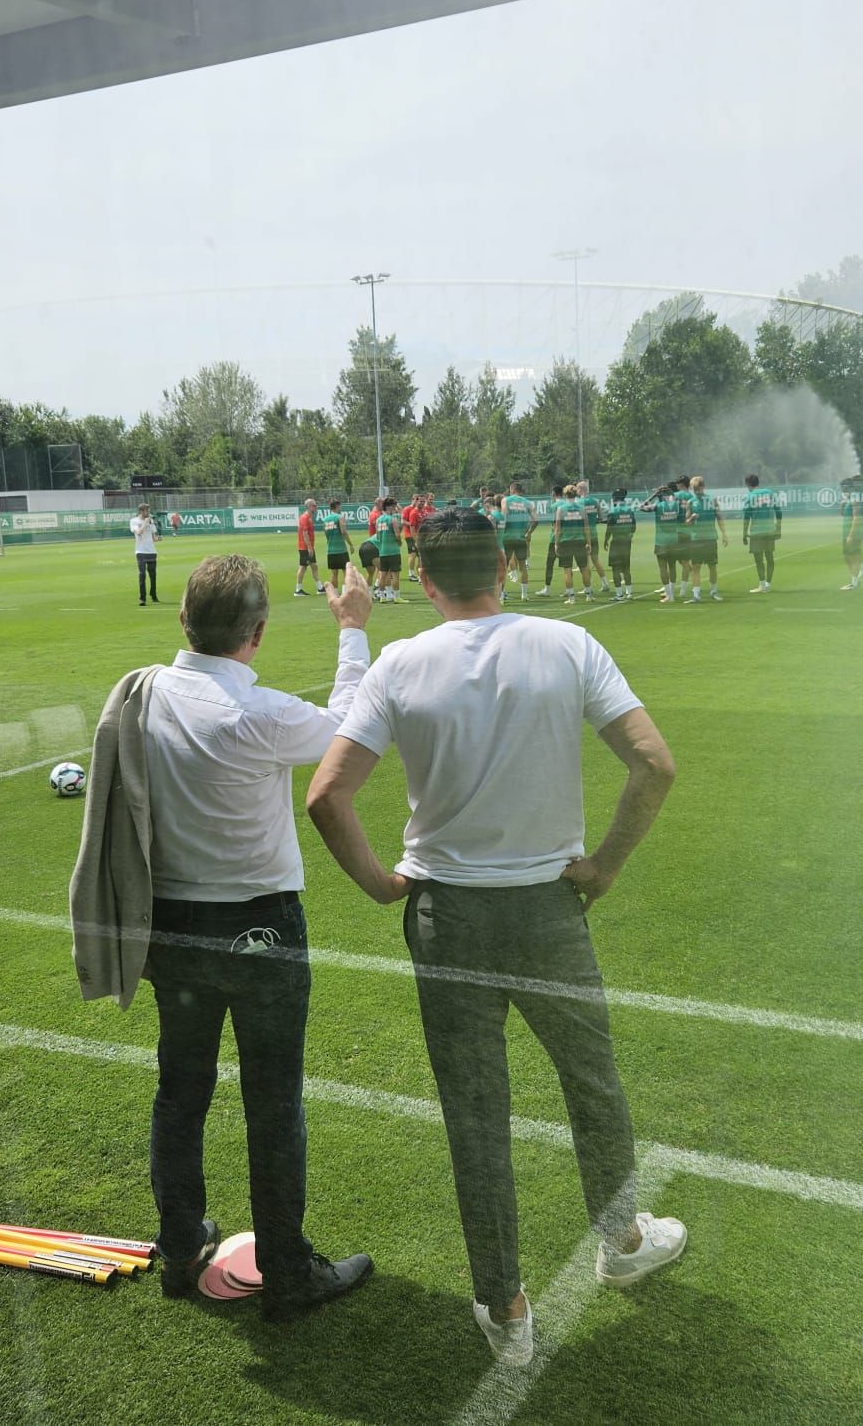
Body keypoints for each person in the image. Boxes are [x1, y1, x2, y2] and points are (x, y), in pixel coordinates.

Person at [306, 508, 685, 1367]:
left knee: (477, 1117)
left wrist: (382, 885)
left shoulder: (400, 663)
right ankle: (621, 1241)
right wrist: (605, 867)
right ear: (506, 569)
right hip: (549, 911)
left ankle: (505, 1307)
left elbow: (327, 795)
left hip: (449, 918)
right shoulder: (566, 643)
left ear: (425, 578)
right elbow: (654, 764)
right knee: (593, 1084)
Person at [74, 555, 377, 1320]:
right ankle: (287, 1268)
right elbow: (348, 727)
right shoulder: (263, 714)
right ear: (260, 633)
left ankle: (180, 1246)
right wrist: (352, 632)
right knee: (273, 1102)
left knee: (181, 1089)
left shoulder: (144, 695)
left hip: (171, 933)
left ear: (183, 620)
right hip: (259, 932)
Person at [684, 474, 723, 602]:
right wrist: (692, 518)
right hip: (696, 539)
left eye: (698, 488)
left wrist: (724, 534)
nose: (696, 491)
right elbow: (687, 522)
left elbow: (719, 517)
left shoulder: (712, 500)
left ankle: (714, 591)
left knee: (712, 566)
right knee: (696, 567)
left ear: (703, 487)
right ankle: (696, 595)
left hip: (711, 538)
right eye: (694, 489)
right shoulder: (690, 502)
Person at [550, 484, 591, 604]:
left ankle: (571, 597)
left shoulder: (561, 509)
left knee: (567, 570)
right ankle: (588, 595)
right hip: (579, 541)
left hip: (565, 542)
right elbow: (586, 527)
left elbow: (558, 528)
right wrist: (588, 542)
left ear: (565, 494)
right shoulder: (581, 508)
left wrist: (556, 543)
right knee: (584, 569)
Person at [741, 473, 782, 592]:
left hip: (756, 532)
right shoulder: (769, 493)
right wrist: (778, 528)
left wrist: (744, 533)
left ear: (748, 484)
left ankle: (762, 585)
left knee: (759, 560)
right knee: (770, 558)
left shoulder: (749, 496)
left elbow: (746, 517)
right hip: (770, 530)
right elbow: (778, 511)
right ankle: (768, 584)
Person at [575, 482, 614, 597]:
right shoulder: (595, 501)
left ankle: (588, 587)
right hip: (594, 534)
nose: (576, 490)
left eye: (577, 488)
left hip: (583, 535)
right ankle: (605, 583)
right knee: (596, 560)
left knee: (585, 563)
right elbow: (600, 517)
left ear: (581, 489)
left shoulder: (579, 503)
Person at [651, 482, 685, 603]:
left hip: (661, 542)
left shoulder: (658, 506)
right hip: (674, 541)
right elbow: (681, 503)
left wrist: (654, 495)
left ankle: (669, 596)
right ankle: (673, 596)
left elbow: (641, 507)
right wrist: (670, 492)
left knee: (662, 568)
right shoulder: (676, 505)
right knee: (672, 567)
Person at [500, 481, 535, 598]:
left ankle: (501, 594)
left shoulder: (506, 500)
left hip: (507, 537)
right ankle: (524, 595)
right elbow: (536, 520)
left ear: (512, 490)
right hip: (521, 537)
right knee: (523, 566)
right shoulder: (528, 503)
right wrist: (529, 533)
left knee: (503, 567)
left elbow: (503, 516)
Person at [840, 475, 863, 590]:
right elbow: (844, 514)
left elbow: (856, 517)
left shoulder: (854, 499)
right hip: (847, 531)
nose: (841, 489)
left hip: (852, 533)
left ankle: (854, 582)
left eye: (843, 487)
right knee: (848, 555)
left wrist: (851, 534)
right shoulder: (849, 498)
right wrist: (842, 505)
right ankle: (855, 579)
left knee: (851, 555)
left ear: (848, 487)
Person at [603, 488, 638, 601]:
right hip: (626, 542)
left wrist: (605, 540)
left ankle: (619, 594)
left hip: (616, 541)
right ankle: (629, 593)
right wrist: (629, 535)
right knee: (626, 568)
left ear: (615, 498)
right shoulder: (629, 510)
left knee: (616, 569)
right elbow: (634, 526)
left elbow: (609, 528)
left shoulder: (613, 511)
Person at [372, 497, 406, 601]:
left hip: (383, 552)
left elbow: (378, 537)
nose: (395, 509)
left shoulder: (378, 520)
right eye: (394, 506)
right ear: (390, 507)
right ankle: (397, 597)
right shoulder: (392, 520)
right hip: (393, 551)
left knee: (383, 574)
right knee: (395, 574)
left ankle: (382, 597)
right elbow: (397, 535)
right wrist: (399, 542)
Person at [129, 505, 160, 606]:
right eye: (147, 511)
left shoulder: (151, 522)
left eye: (149, 510)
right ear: (141, 511)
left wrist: (158, 538)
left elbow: (154, 537)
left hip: (151, 551)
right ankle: (142, 598)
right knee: (142, 575)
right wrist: (145, 523)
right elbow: (138, 532)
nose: (148, 512)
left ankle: (154, 595)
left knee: (153, 575)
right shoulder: (134, 521)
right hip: (140, 551)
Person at [294, 498, 323, 597]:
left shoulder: (309, 518)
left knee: (314, 566)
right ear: (309, 506)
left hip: (308, 547)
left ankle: (320, 588)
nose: (316, 507)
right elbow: (305, 534)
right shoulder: (305, 518)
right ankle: (298, 590)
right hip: (305, 548)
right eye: (314, 505)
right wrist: (310, 548)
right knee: (303, 567)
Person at [320, 498, 353, 585]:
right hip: (341, 550)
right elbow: (343, 532)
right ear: (337, 506)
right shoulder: (340, 517)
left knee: (334, 574)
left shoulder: (325, 520)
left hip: (330, 550)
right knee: (345, 572)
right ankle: (345, 592)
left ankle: (334, 593)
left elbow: (326, 534)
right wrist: (351, 544)